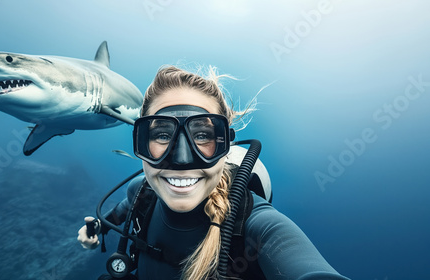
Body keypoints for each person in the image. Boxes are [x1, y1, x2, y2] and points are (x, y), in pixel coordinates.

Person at [78, 66, 350, 280]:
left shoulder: (257, 225)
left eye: (202, 136)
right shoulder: (140, 192)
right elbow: (122, 211)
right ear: (141, 143)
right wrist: (97, 228)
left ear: (225, 145)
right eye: (162, 134)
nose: (182, 160)